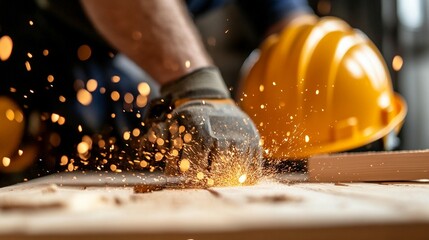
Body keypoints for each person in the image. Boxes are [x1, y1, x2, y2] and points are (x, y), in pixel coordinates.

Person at [0, 0, 313, 186]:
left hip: (108, 48)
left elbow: (288, 21)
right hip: (31, 48)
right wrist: (198, 87)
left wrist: (310, 58)